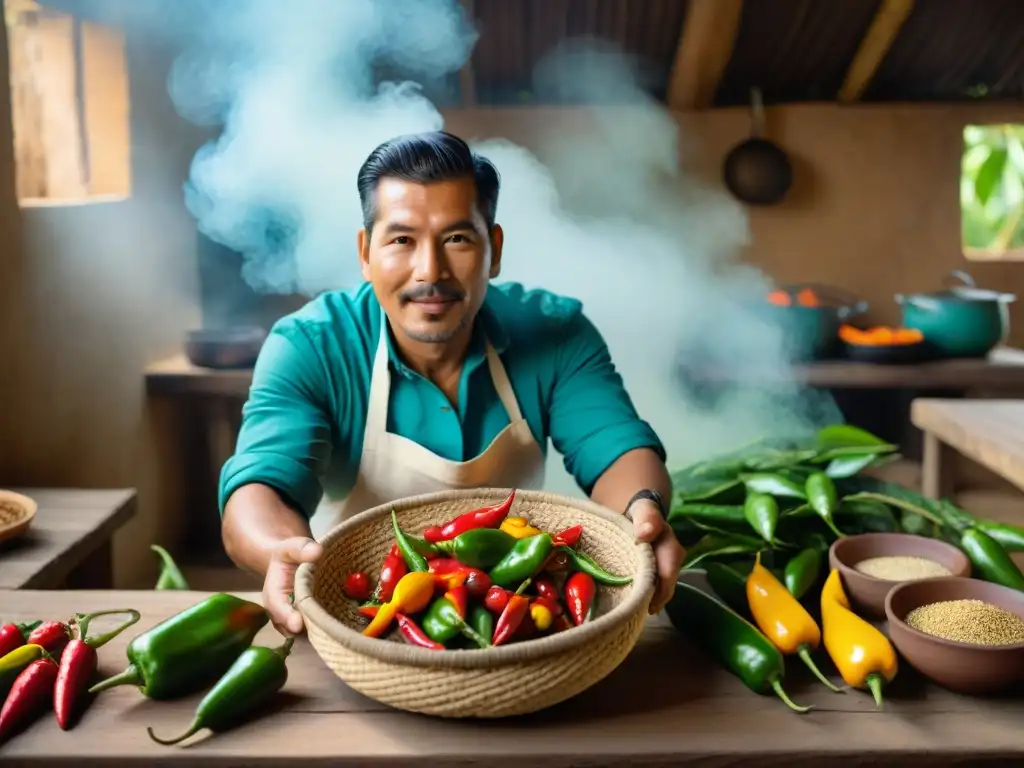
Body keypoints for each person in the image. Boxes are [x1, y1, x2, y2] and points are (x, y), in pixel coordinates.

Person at [219, 130, 685, 636]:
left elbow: (614, 445)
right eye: (401, 240)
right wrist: (279, 552)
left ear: (495, 249)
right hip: (357, 614)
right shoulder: (312, 345)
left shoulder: (556, 332)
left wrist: (644, 512)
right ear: (365, 252)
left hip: (505, 615)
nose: (430, 271)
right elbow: (261, 485)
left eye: (457, 239)